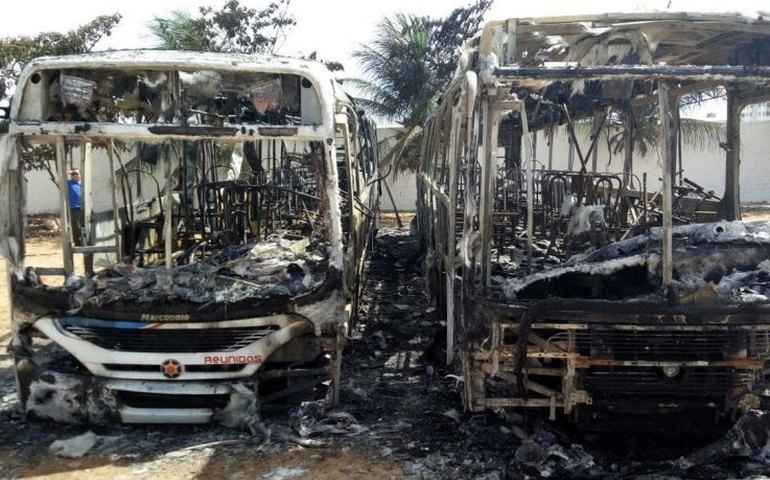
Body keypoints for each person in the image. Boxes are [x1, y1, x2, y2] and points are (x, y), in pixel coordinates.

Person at [68, 169, 85, 246]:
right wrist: (68, 172)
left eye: (76, 173)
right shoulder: (69, 183)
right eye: (73, 174)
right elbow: (58, 180)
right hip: (74, 207)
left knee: (84, 225)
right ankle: (78, 242)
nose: (75, 175)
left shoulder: (83, 183)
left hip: (84, 207)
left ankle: (85, 241)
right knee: (76, 226)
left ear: (80, 175)